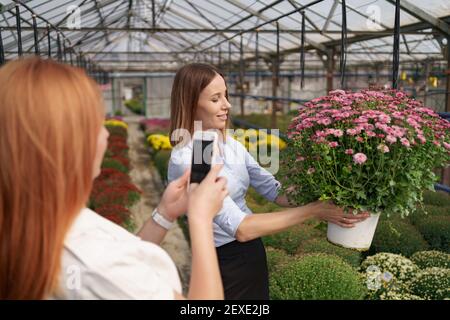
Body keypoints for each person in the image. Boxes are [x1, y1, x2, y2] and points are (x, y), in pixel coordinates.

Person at [0, 57, 228, 300]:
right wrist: (201, 220)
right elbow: (111, 271)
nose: (107, 133)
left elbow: (121, 259)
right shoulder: (96, 266)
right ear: (67, 146)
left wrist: (164, 214)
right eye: (96, 124)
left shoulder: (34, 226)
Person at [168, 63, 370, 300]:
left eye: (226, 95)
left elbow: (275, 191)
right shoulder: (190, 159)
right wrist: (314, 211)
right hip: (223, 263)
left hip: (251, 253)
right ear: (192, 103)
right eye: (216, 99)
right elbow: (241, 228)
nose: (227, 105)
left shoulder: (229, 144)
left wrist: (325, 182)